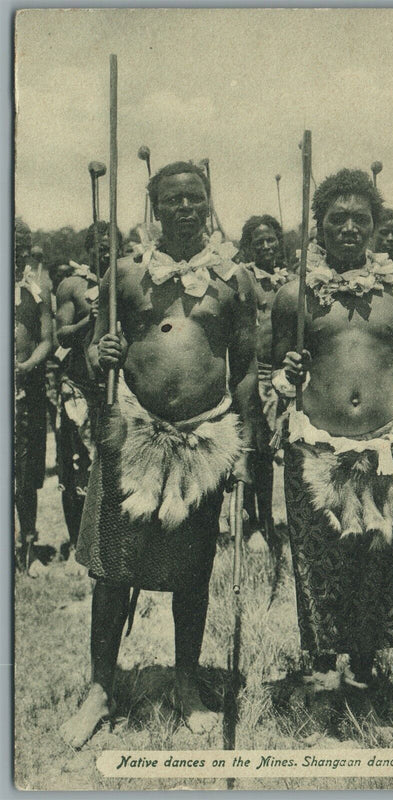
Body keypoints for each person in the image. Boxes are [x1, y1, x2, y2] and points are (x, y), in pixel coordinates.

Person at [60, 161, 262, 747]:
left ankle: (186, 683)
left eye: (195, 198)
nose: (185, 208)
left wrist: (246, 444)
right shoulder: (125, 273)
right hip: (133, 438)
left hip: (203, 441)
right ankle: (101, 688)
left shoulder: (234, 280)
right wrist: (101, 353)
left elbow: (246, 367)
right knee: (112, 569)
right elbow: (92, 354)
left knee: (191, 573)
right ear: (155, 206)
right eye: (173, 199)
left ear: (208, 203)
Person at [272, 169, 393, 688]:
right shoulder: (294, 296)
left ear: (376, 226)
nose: (350, 228)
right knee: (318, 562)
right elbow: (275, 375)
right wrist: (287, 373)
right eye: (337, 218)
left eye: (361, 218)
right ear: (318, 225)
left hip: (383, 446)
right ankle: (320, 666)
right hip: (315, 451)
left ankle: (363, 666)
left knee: (373, 561)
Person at [238, 214, 292, 549]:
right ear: (249, 246)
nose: (267, 246)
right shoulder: (244, 278)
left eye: (271, 240)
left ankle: (269, 521)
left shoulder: (289, 280)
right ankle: (250, 523)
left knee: (270, 453)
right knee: (251, 449)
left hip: (281, 376)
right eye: (259, 242)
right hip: (252, 374)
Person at [53, 254, 101, 562]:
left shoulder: (127, 279)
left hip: (116, 389)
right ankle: (76, 542)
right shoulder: (72, 286)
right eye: (100, 248)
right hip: (80, 388)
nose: (106, 254)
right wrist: (90, 320)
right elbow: (62, 336)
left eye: (112, 248)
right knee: (77, 466)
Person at [15, 219, 53, 570]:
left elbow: (47, 339)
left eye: (21, 248)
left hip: (26, 393)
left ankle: (27, 546)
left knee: (25, 476)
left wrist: (27, 366)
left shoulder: (36, 290)